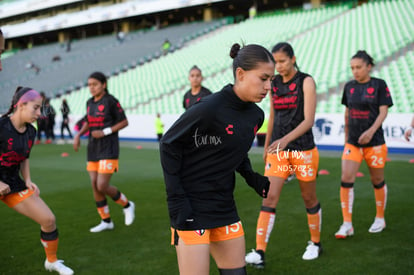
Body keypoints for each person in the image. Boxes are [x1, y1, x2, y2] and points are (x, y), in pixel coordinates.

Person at [160, 43, 273, 275]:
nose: (268, 86)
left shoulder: (256, 115)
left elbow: (236, 151)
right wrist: (177, 200)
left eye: (271, 80)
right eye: (263, 78)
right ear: (240, 74)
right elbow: (169, 144)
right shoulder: (210, 107)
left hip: (224, 205)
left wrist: (252, 177)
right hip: (191, 207)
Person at [245, 42, 322, 267]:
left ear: (293, 58)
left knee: (309, 198)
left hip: (303, 149)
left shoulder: (306, 81)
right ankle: (260, 252)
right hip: (279, 151)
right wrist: (268, 146)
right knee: (268, 197)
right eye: (275, 62)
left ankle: (315, 243)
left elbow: (309, 120)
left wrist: (284, 140)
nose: (278, 66)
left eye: (282, 61)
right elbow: (273, 116)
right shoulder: (274, 83)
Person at [0, 87, 74, 275]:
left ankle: (52, 261)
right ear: (21, 105)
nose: (39, 114)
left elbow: (24, 158)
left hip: (12, 184)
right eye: (35, 108)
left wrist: (28, 180)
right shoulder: (1, 126)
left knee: (48, 219)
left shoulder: (31, 132)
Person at [335, 50, 393, 238]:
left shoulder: (379, 85)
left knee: (377, 180)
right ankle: (347, 224)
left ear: (368, 66)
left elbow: (383, 112)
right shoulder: (349, 86)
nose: (355, 71)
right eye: (352, 68)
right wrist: (346, 140)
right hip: (353, 143)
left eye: (358, 67)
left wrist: (370, 132)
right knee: (346, 179)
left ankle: (380, 218)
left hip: (374, 143)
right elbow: (347, 113)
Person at [73, 71, 135, 233]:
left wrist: (105, 131)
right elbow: (88, 121)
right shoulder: (89, 102)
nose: (91, 88)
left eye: (95, 84)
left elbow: (124, 122)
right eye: (89, 85)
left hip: (108, 148)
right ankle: (106, 221)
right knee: (95, 185)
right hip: (93, 148)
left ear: (104, 85)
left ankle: (127, 205)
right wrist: (78, 135)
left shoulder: (111, 101)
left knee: (102, 185)